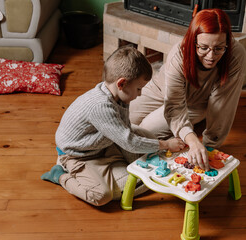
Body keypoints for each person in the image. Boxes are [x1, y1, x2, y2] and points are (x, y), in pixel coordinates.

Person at [41, 46, 185, 206]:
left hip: (100, 143)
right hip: (76, 155)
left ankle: (130, 165)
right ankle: (60, 176)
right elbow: (129, 141)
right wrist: (166, 144)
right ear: (122, 83)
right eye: (139, 89)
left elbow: (126, 128)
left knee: (147, 140)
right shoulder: (101, 106)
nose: (140, 94)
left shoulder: (119, 96)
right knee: (102, 195)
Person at [129, 9, 246, 171]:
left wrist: (206, 147)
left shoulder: (236, 55)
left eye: (219, 48)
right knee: (126, 121)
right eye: (203, 48)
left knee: (145, 132)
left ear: (227, 43)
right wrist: (192, 139)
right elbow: (174, 104)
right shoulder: (179, 53)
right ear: (193, 42)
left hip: (195, 104)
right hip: (160, 89)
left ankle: (181, 131)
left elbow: (222, 106)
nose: (211, 56)